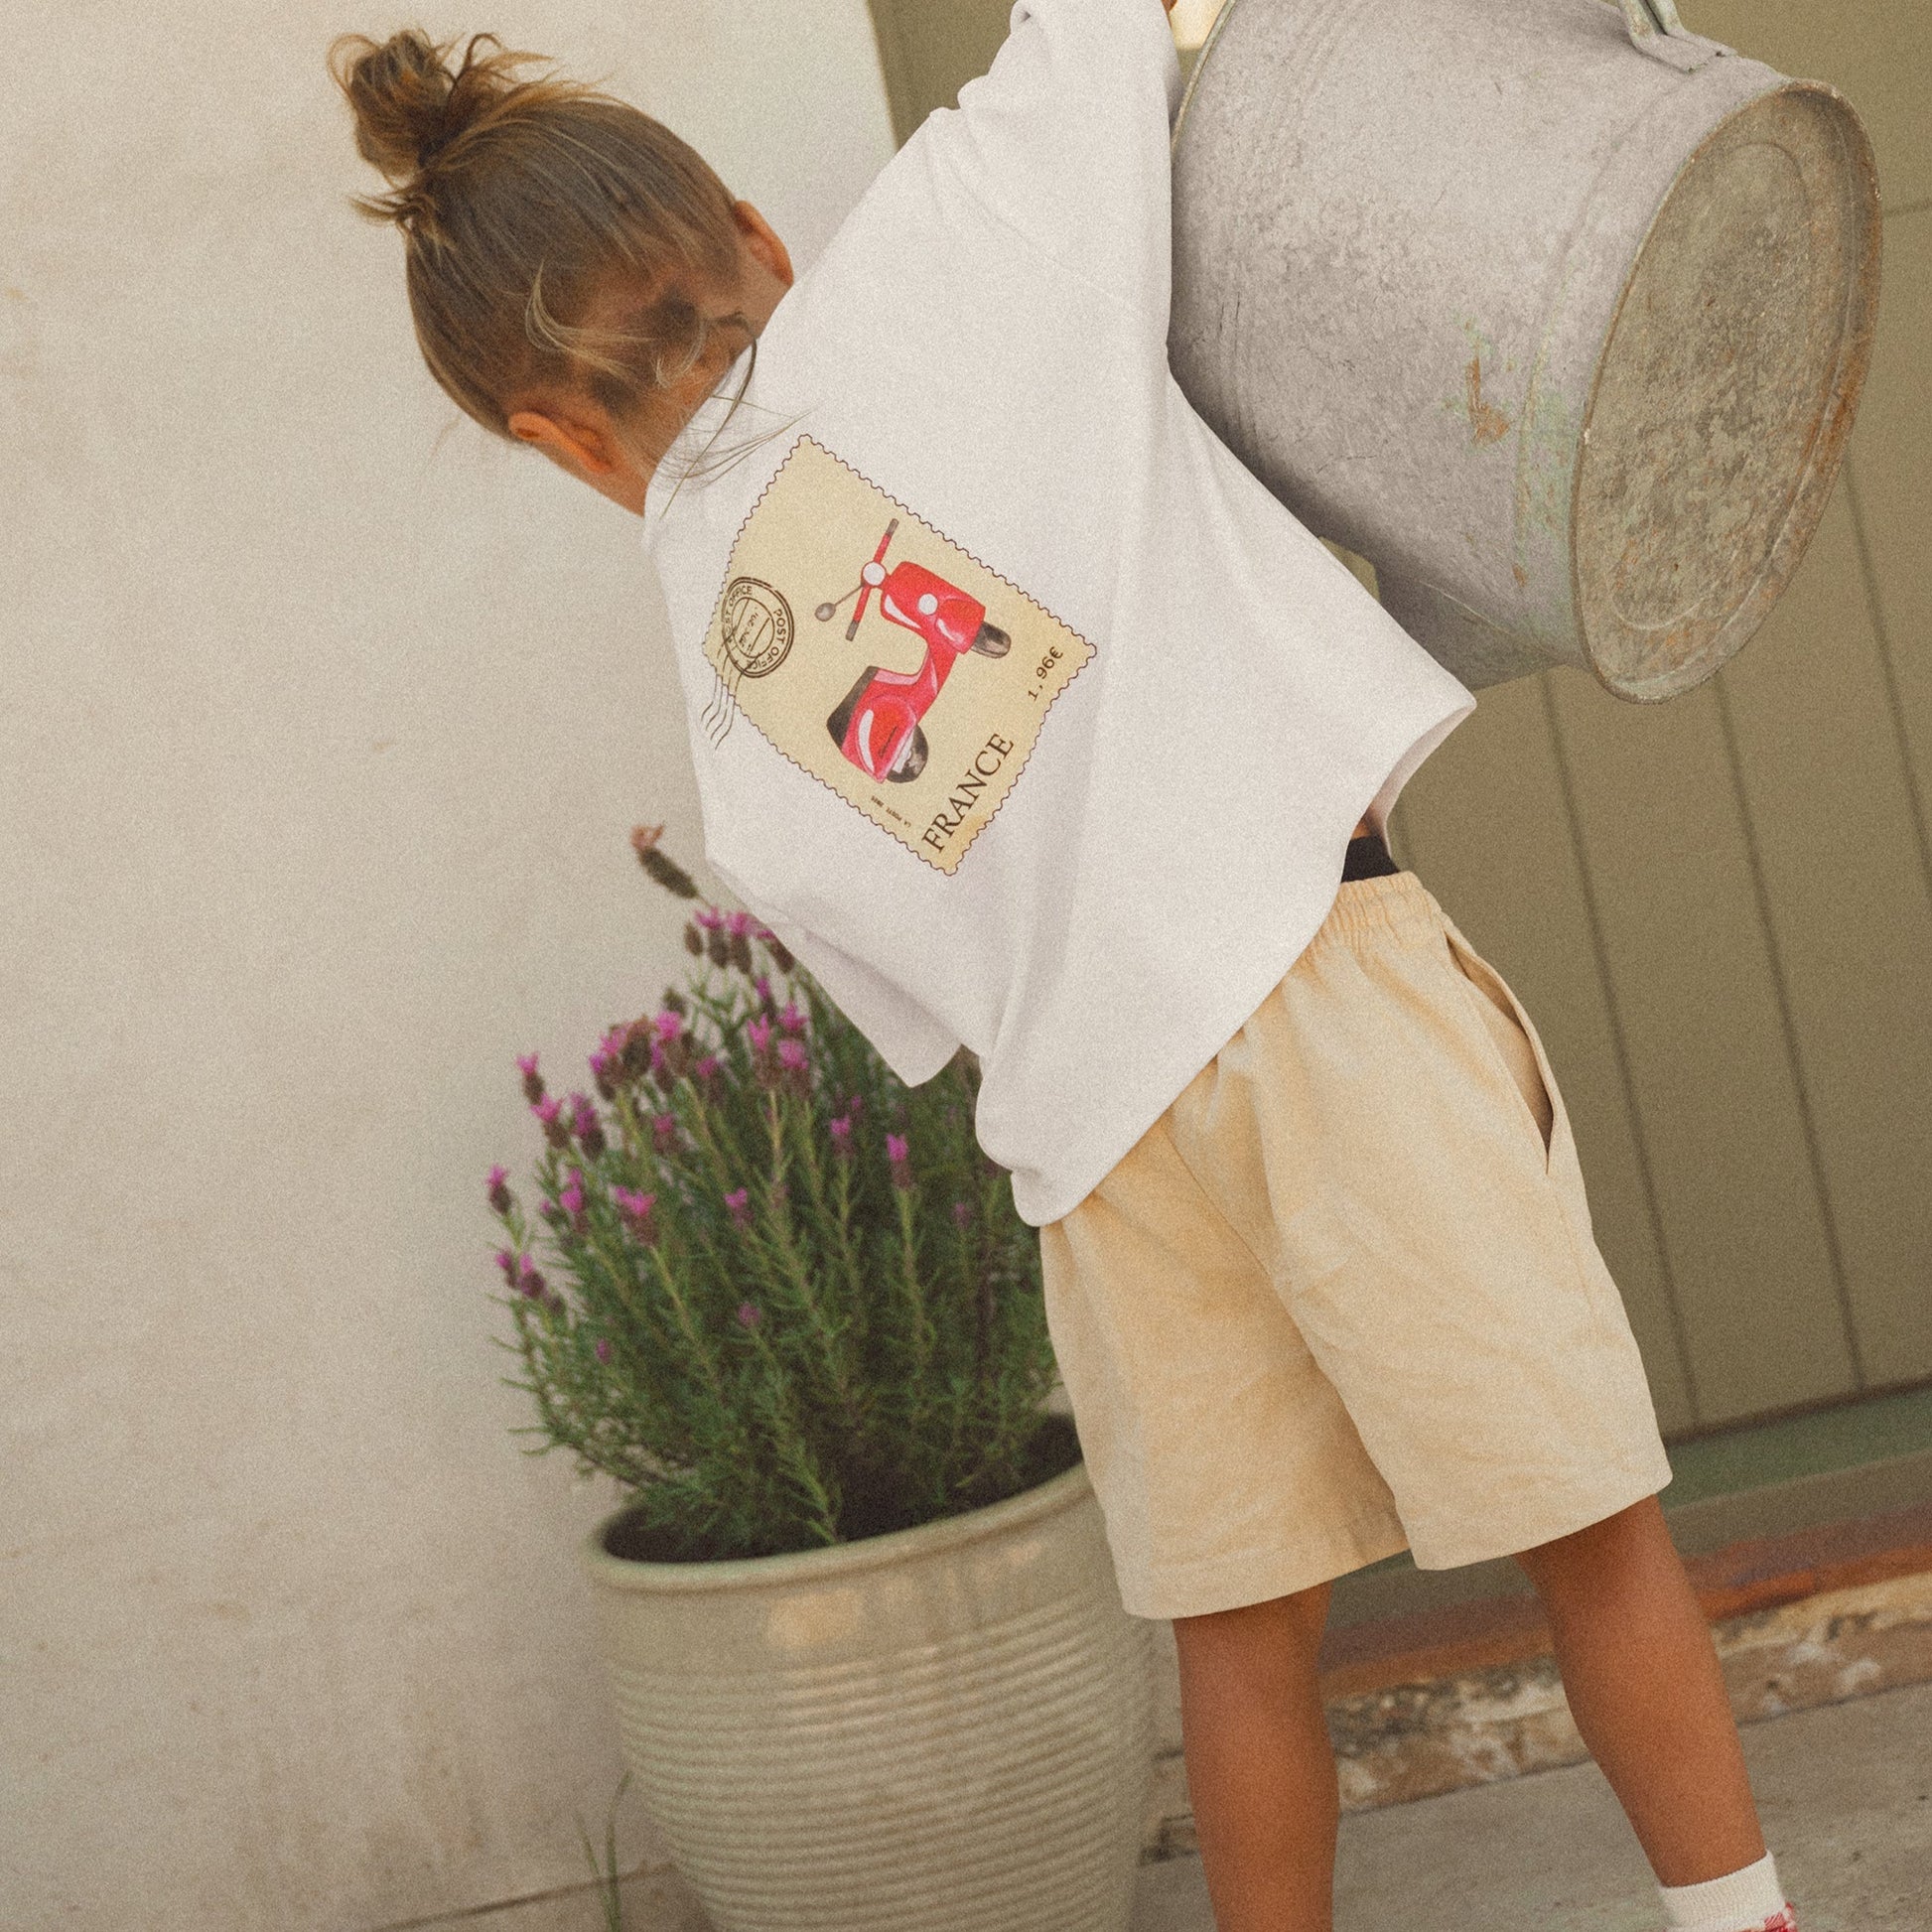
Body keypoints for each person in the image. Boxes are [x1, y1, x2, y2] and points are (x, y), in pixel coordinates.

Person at [331, 11, 1799, 1930]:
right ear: (762, 232)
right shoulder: (975, 234)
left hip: (1106, 1154)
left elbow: (906, 983)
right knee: (1585, 1526)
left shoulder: (722, 685)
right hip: (1315, 981)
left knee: (1239, 1626)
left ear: (545, 432)